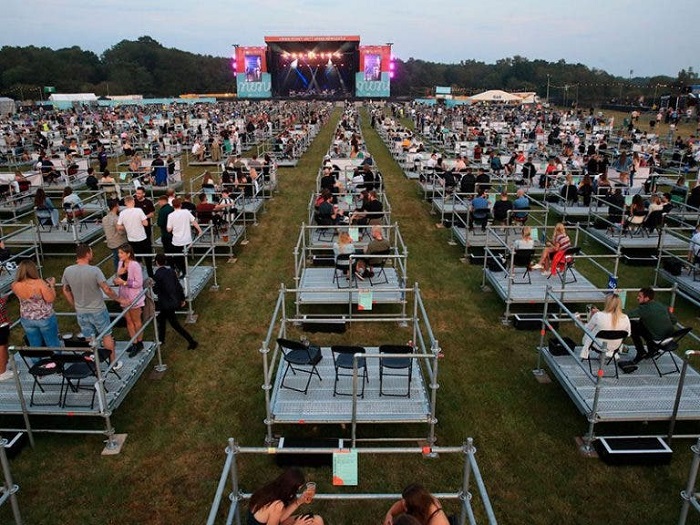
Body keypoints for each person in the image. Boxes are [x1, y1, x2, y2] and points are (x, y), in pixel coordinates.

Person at [62, 244, 124, 369]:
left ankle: (92, 362)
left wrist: (74, 304)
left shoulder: (68, 270)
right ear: (87, 254)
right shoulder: (95, 270)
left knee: (89, 337)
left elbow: (65, 290)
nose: (92, 254)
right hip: (98, 309)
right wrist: (119, 299)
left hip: (81, 310)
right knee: (107, 335)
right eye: (91, 252)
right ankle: (113, 363)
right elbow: (106, 289)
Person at [11, 260, 61, 349]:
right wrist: (52, 286)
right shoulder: (39, 283)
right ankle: (56, 361)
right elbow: (50, 299)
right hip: (44, 317)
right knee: (52, 343)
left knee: (34, 345)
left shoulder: (15, 285)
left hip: (26, 318)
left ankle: (37, 362)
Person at [153, 253, 198, 350]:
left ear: (156, 262)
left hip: (165, 304)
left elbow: (156, 291)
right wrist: (182, 299)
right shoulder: (171, 272)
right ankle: (161, 340)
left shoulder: (157, 275)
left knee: (174, 324)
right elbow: (178, 286)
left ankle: (192, 342)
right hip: (173, 301)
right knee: (161, 320)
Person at [247, 468, 322, 525]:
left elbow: (280, 518)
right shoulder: (277, 505)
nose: (295, 493)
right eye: (296, 490)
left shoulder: (271, 490)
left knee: (317, 520)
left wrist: (299, 501)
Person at [626, 287, 677, 365]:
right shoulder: (661, 305)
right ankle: (652, 350)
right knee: (641, 324)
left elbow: (626, 316)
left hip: (659, 340)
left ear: (647, 298)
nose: (637, 298)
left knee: (632, 324)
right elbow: (674, 320)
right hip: (670, 337)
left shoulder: (644, 308)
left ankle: (641, 352)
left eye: (640, 296)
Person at [114, 243, 145, 358]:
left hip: (134, 297)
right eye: (118, 253)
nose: (119, 255)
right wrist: (118, 276)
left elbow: (139, 283)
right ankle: (134, 342)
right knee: (128, 321)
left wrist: (124, 282)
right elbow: (117, 279)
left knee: (136, 321)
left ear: (128, 254)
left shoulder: (135, 265)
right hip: (123, 297)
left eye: (121, 253)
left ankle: (140, 342)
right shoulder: (120, 263)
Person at [579, 294, 631, 360]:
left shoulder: (598, 315)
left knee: (590, 333)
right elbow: (628, 333)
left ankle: (598, 354)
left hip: (599, 345)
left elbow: (587, 329)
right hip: (615, 346)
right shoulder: (625, 317)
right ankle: (611, 354)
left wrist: (581, 319)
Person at [118, 195, 153, 278]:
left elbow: (118, 227)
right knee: (148, 258)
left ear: (125, 203)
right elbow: (146, 223)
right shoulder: (139, 210)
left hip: (131, 239)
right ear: (133, 202)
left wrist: (127, 227)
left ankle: (137, 276)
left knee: (135, 259)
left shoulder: (122, 213)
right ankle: (151, 275)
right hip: (142, 238)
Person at [167, 198, 202, 277]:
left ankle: (181, 270)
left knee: (178, 257)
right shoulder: (186, 212)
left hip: (177, 240)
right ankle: (184, 271)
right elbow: (194, 221)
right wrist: (199, 230)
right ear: (181, 205)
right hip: (187, 239)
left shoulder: (171, 215)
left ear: (173, 206)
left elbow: (169, 229)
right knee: (183, 256)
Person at [384, 484, 450, 525]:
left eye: (406, 506)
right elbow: (401, 504)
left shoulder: (438, 522)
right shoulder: (424, 501)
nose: (403, 507)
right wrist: (389, 514)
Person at [102, 198, 128, 274]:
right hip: (119, 242)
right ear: (116, 206)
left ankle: (118, 274)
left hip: (110, 242)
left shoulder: (105, 218)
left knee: (116, 259)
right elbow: (120, 231)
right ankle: (120, 275)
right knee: (120, 260)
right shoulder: (116, 219)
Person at [156, 194, 174, 260]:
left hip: (166, 233)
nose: (158, 204)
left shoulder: (162, 211)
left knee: (167, 251)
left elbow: (159, 223)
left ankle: (170, 264)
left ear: (162, 201)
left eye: (159, 202)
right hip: (174, 233)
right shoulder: (172, 208)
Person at [0, 294, 12, 381]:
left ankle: (5, 363)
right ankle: (2, 372)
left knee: (4, 345)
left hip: (3, 322)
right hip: (1, 325)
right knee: (2, 347)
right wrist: (4, 300)